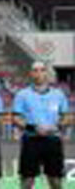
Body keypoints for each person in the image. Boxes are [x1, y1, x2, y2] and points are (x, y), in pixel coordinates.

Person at [12, 61, 73, 189]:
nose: (39, 73)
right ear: (31, 73)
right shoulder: (22, 94)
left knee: (55, 181)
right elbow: (16, 117)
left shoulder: (58, 94)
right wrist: (33, 128)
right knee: (27, 181)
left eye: (42, 70)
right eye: (35, 70)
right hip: (31, 140)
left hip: (53, 141)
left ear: (46, 73)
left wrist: (56, 127)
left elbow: (67, 117)